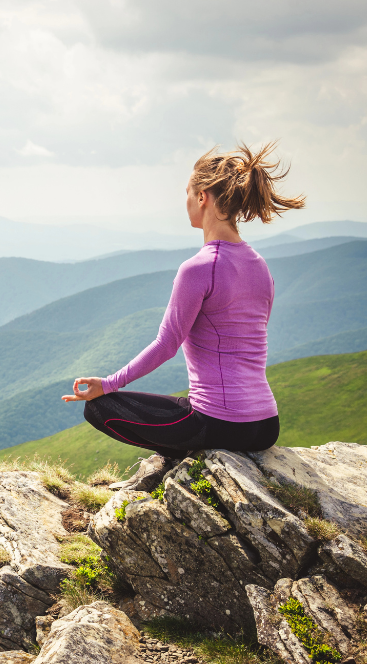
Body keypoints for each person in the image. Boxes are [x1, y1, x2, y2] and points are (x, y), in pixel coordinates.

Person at [61, 142, 305, 489]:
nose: (186, 201)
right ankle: (179, 456)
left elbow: (166, 344)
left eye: (188, 193)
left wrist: (108, 384)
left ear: (203, 196)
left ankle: (178, 459)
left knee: (99, 408)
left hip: (220, 424)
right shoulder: (259, 265)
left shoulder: (199, 268)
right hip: (266, 424)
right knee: (183, 403)